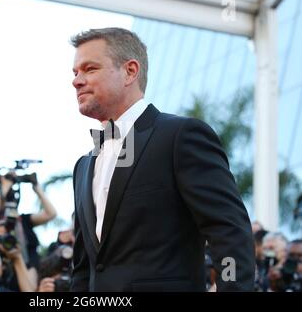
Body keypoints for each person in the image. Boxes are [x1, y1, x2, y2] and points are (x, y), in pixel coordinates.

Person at [70, 27, 255, 292]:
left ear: (130, 72)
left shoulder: (181, 136)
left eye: (90, 69)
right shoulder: (83, 166)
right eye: (75, 72)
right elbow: (83, 267)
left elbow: (229, 232)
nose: (77, 81)